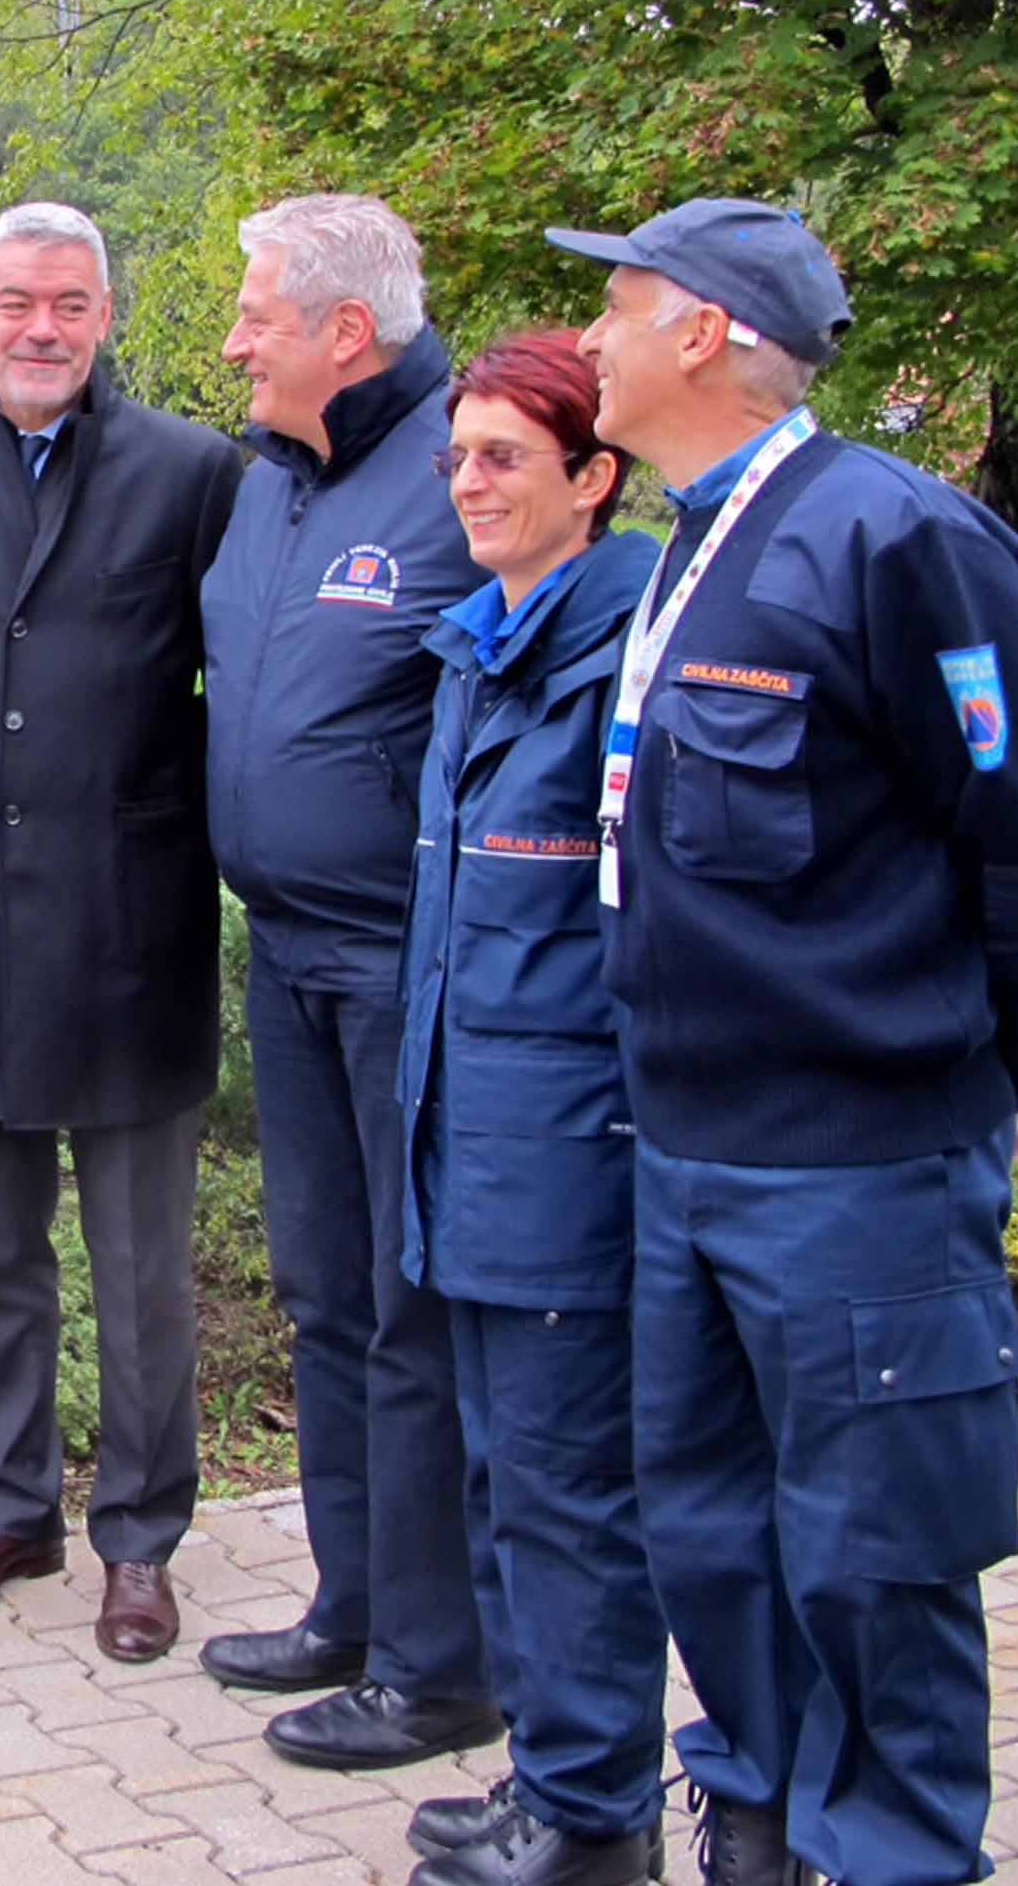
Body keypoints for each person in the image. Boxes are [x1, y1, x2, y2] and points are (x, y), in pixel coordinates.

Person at [544, 200, 1018, 1886]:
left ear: (705, 333)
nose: (594, 340)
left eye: (620, 308)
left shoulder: (890, 539)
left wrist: (962, 1082)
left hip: (857, 1170)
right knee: (713, 1532)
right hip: (692, 1158)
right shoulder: (697, 543)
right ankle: (774, 1821)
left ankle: (899, 1853)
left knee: (880, 1564)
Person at [0, 201, 243, 1665]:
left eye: (68, 303)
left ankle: (140, 1538)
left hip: (134, 922)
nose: (41, 327)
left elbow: (230, 678)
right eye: (17, 300)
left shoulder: (192, 475)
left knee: (142, 1269)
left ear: (105, 317)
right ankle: (12, 1504)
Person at [195, 193, 498, 1770]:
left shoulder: (458, 466)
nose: (235, 337)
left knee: (409, 1306)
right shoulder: (271, 481)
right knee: (322, 1292)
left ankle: (444, 1662)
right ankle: (352, 1602)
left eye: (257, 310)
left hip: (401, 962)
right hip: (287, 952)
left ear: (343, 333)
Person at [390, 330, 667, 1886]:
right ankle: (553, 1773)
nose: (472, 484)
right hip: (472, 1142)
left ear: (592, 476)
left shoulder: (621, 658)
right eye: (458, 457)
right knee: (511, 1484)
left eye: (506, 456)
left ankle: (593, 1822)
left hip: (566, 1161)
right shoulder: (486, 640)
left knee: (569, 1502)